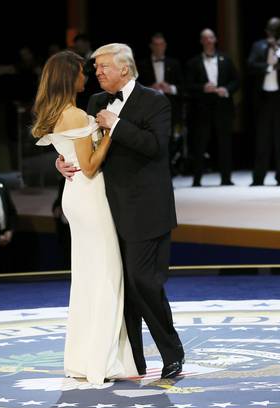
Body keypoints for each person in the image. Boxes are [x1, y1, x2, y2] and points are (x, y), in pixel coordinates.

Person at [56, 43, 184, 379]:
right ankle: (133, 362)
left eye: (102, 67)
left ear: (123, 69)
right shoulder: (97, 102)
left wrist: (117, 125)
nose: (95, 73)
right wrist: (64, 161)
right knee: (122, 288)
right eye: (95, 68)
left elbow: (156, 147)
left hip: (147, 210)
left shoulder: (155, 101)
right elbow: (85, 146)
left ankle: (172, 352)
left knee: (144, 281)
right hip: (108, 211)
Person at [33, 50, 137, 384]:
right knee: (106, 277)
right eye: (81, 71)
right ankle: (100, 363)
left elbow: (67, 154)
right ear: (68, 77)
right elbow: (90, 166)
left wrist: (60, 160)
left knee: (88, 278)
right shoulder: (76, 115)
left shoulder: (56, 111)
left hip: (75, 196)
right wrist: (109, 132)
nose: (86, 77)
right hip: (90, 198)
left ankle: (84, 359)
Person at [248, 17, 280, 186]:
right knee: (262, 139)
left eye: (273, 30)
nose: (269, 33)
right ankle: (258, 178)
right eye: (268, 30)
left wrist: (278, 51)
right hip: (264, 98)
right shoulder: (259, 45)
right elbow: (251, 64)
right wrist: (269, 67)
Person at [185, 28, 240, 186]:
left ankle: (226, 178)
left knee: (225, 144)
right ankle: (197, 179)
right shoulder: (193, 62)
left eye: (211, 38)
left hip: (223, 107)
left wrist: (226, 90)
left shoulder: (226, 59)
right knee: (200, 144)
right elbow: (187, 85)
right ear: (201, 41)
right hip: (202, 108)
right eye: (205, 38)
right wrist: (203, 87)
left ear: (215, 39)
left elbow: (236, 80)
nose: (208, 41)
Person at [137, 32, 184, 173]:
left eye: (161, 44)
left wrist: (171, 88)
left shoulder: (174, 64)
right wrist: (150, 88)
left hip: (170, 109)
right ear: (151, 46)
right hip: (148, 111)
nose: (159, 47)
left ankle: (168, 172)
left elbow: (184, 87)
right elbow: (135, 86)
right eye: (156, 45)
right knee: (151, 141)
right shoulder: (142, 64)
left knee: (169, 142)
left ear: (165, 46)